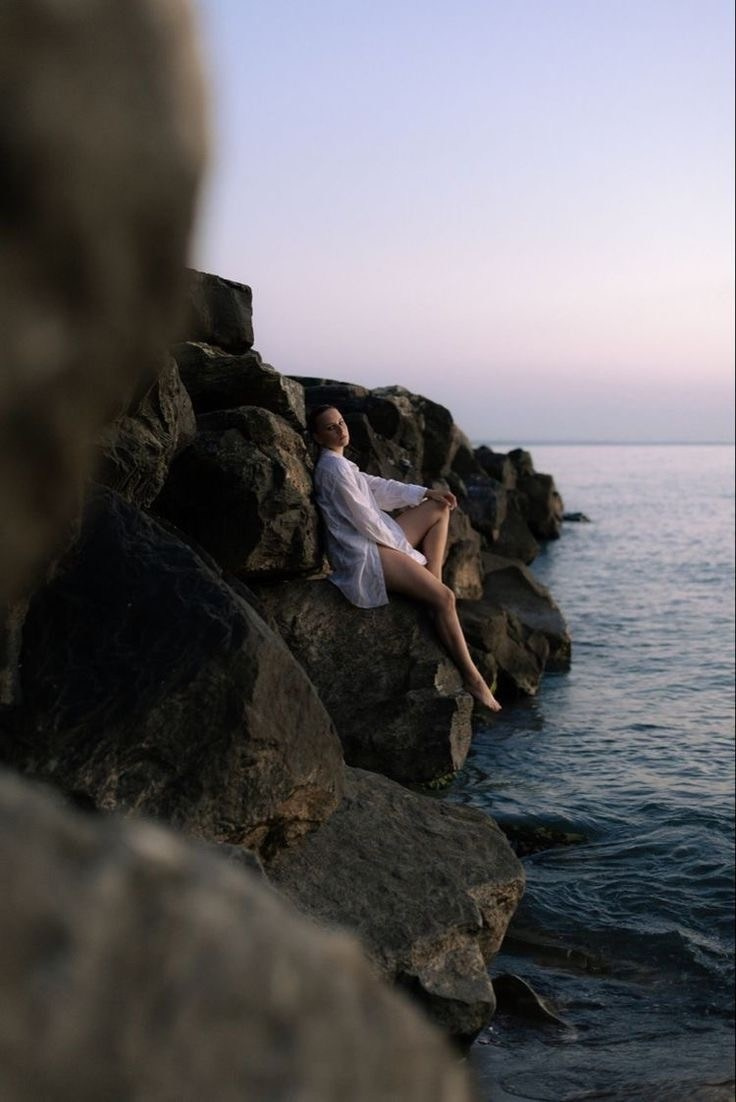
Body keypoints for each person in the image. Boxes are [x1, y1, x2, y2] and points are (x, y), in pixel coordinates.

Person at [308, 404, 502, 712]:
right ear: (318, 437)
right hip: (364, 552)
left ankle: (432, 587)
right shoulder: (332, 468)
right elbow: (365, 522)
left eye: (341, 422)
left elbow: (376, 487)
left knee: (439, 507)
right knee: (447, 599)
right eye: (331, 427)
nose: (341, 429)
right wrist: (408, 553)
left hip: (377, 539)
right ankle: (473, 678)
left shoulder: (342, 464)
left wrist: (425, 492)